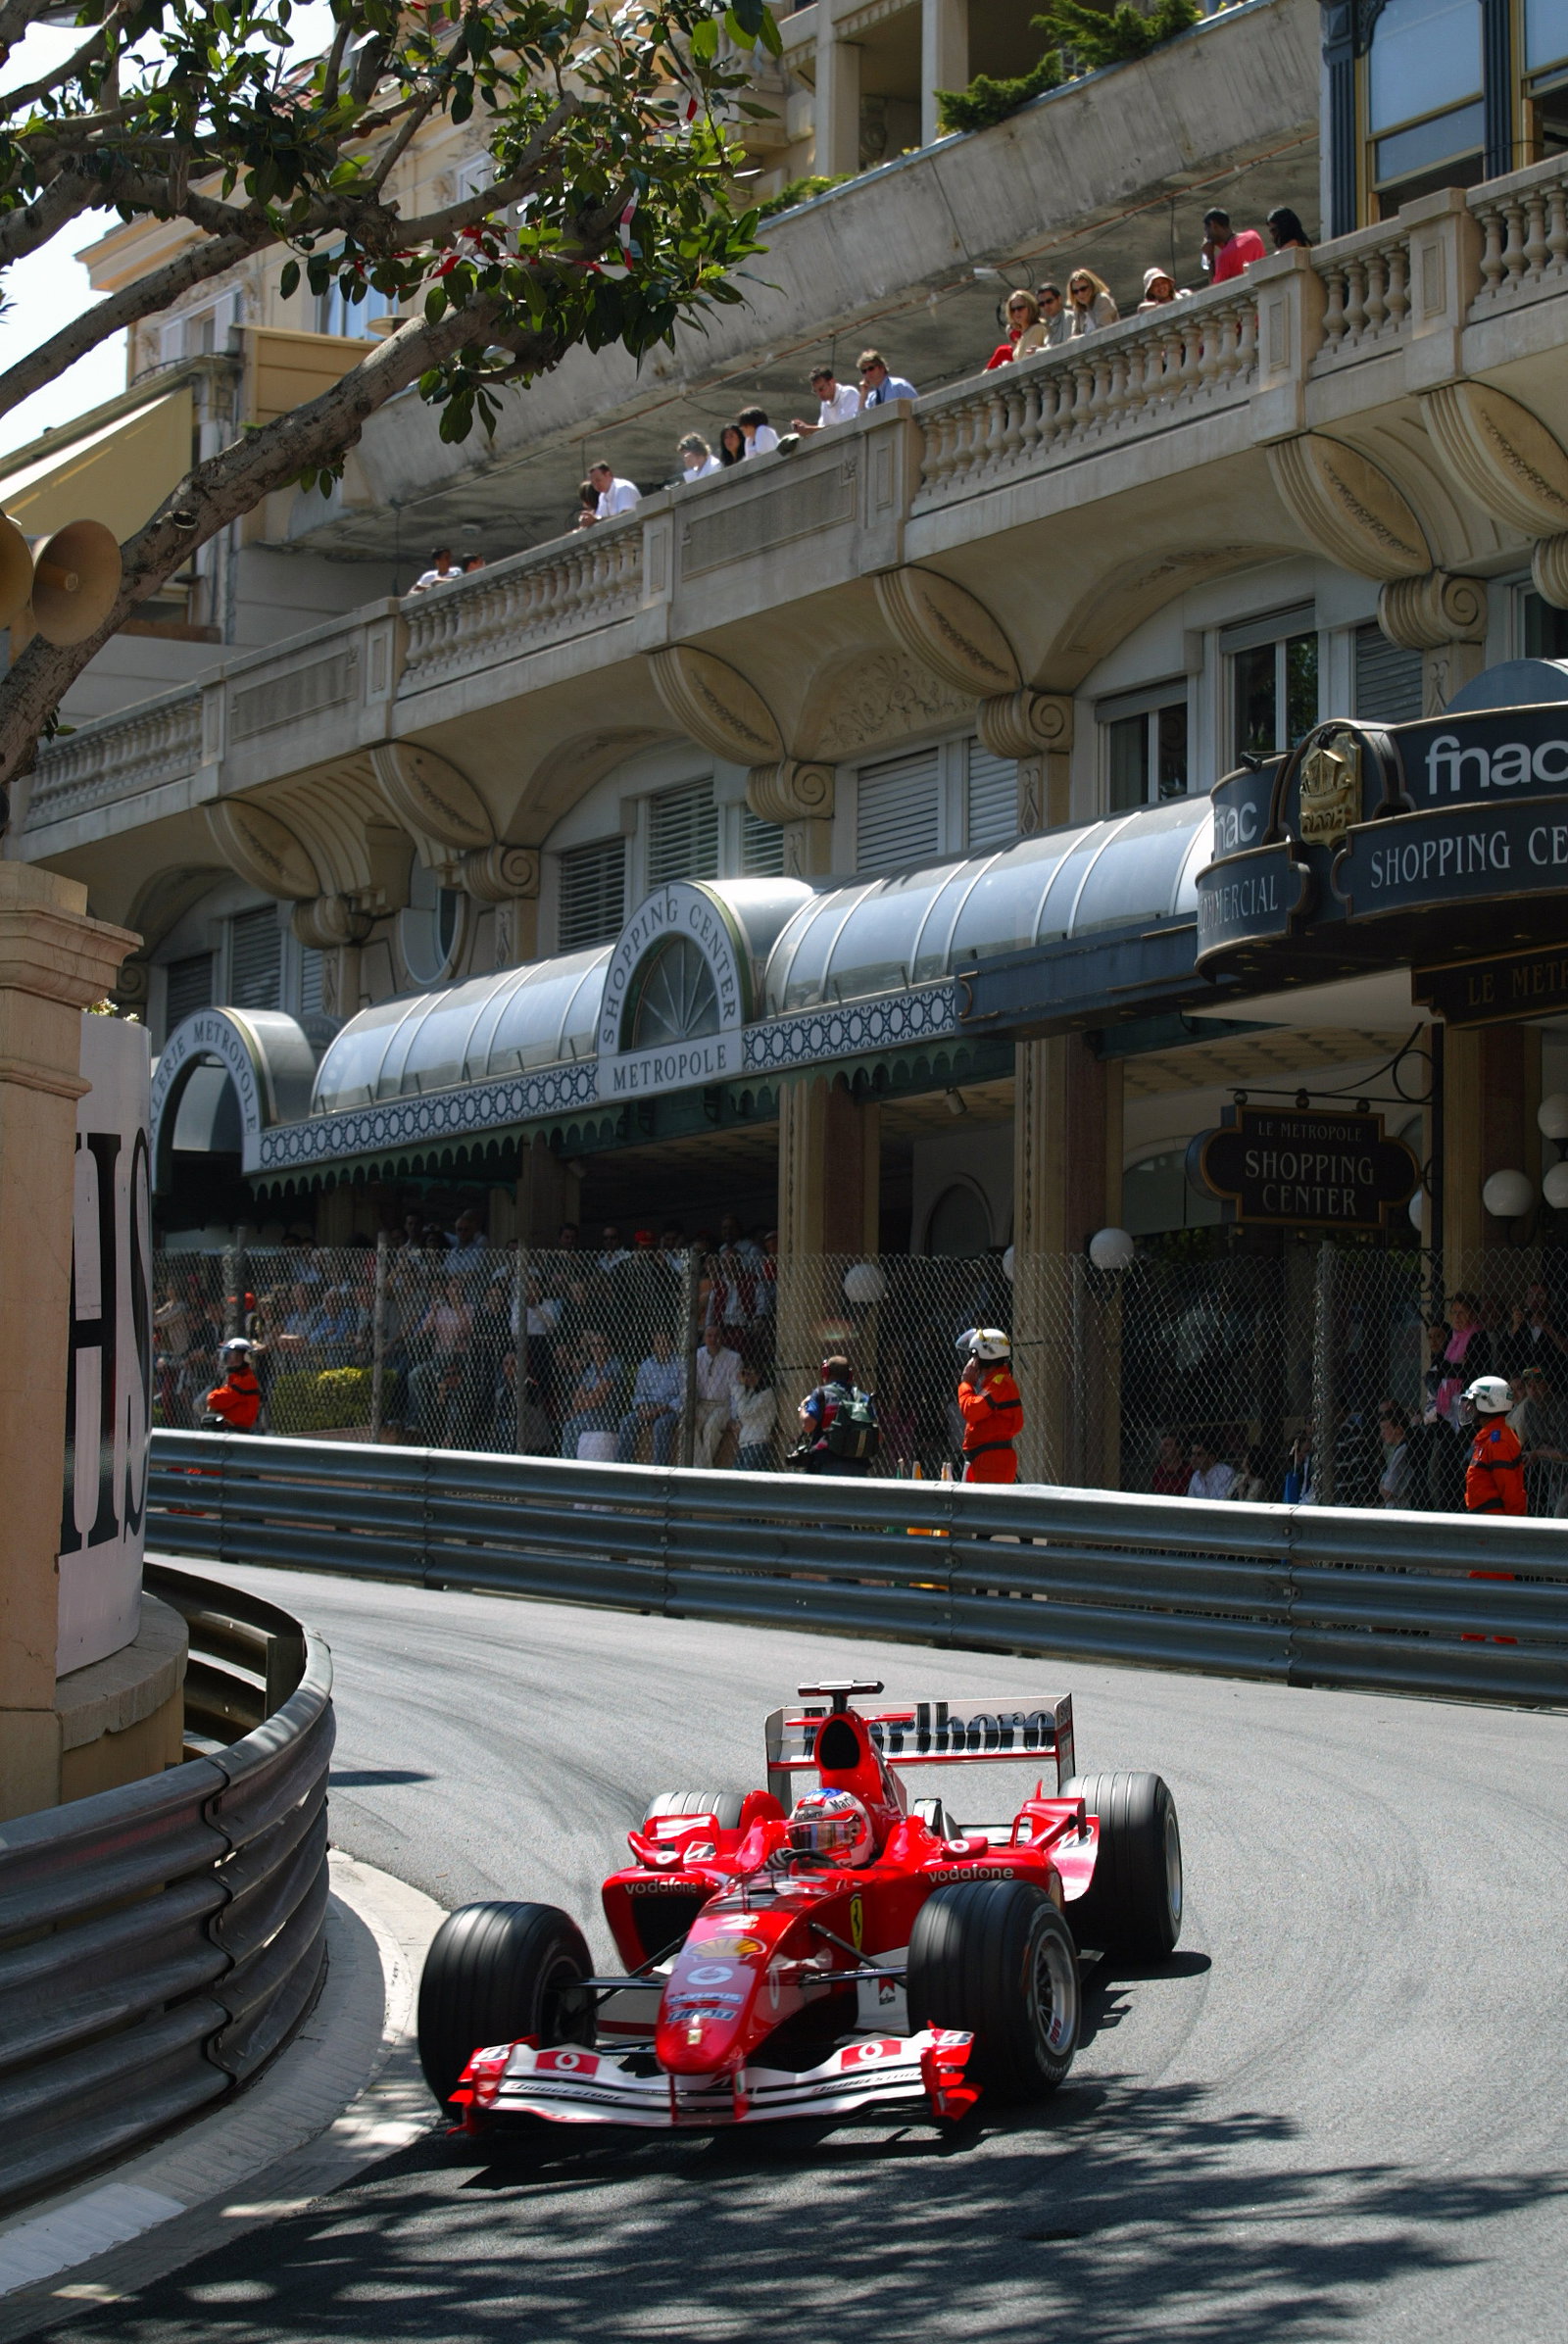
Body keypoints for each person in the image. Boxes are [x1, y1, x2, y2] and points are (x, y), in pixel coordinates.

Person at [954, 1328, 1022, 1484]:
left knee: (985, 1507)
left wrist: (966, 1384)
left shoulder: (1000, 1383)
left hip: (992, 1461)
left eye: (974, 1355)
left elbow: (972, 1411)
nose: (972, 1361)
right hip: (986, 1459)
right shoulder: (996, 1382)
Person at [616, 1327, 683, 1464]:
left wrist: (661, 1410)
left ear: (672, 1345)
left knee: (661, 1425)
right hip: (648, 1407)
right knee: (627, 1421)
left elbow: (683, 1396)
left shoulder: (680, 1365)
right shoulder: (646, 1366)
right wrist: (642, 1408)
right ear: (653, 1346)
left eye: (665, 1343)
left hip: (669, 1409)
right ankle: (623, 1466)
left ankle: (659, 1469)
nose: (662, 1347)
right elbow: (639, 1394)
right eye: (658, 1343)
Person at [1461, 1376, 1526, 1514]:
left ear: (1490, 1404)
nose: (1470, 1408)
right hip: (1485, 1520)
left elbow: (1510, 1491)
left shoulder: (1498, 1442)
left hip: (1494, 1522)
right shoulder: (1487, 1438)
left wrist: (1515, 1528)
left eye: (1474, 1402)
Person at [559, 1329, 622, 1457]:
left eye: (602, 1345)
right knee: (568, 1424)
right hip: (588, 1414)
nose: (597, 1349)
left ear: (609, 1347)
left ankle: (567, 1464)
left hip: (606, 1415)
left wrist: (586, 1400)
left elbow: (598, 1400)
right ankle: (567, 1464)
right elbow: (576, 1401)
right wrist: (587, 1400)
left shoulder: (614, 1365)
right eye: (594, 1345)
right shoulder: (591, 1369)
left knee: (571, 1427)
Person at [693, 1321, 742, 1466]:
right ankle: (701, 1467)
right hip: (701, 1403)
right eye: (709, 1336)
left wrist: (734, 1416)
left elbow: (735, 1389)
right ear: (704, 1338)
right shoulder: (697, 1356)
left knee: (711, 1427)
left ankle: (701, 1469)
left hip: (722, 1405)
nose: (713, 1339)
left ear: (722, 1337)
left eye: (717, 1336)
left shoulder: (733, 1358)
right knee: (691, 1424)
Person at [203, 1338, 263, 1432]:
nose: (231, 1361)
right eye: (229, 1357)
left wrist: (211, 1396)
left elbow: (215, 1400)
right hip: (230, 1426)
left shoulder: (245, 1380)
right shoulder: (236, 1378)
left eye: (236, 1357)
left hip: (237, 1429)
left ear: (246, 1359)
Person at [731, 1362, 777, 1471]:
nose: (750, 1378)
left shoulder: (767, 1394)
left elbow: (743, 1412)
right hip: (745, 1444)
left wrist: (741, 1386)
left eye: (754, 1374)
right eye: (748, 1374)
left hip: (757, 1444)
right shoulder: (751, 1393)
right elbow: (740, 1413)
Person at [1202, 208, 1267, 284]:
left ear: (1214, 225)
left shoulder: (1224, 257)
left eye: (1206, 230)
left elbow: (1215, 289)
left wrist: (1210, 259)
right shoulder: (1253, 236)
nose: (1207, 236)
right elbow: (1237, 248)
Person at [792, 364, 860, 435]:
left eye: (821, 389)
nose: (819, 395)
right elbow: (822, 429)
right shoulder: (825, 404)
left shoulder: (849, 393)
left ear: (831, 382)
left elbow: (847, 427)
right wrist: (805, 429)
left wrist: (810, 429)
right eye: (816, 391)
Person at [985, 291, 1047, 368]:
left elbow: (1028, 362)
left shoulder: (1036, 329)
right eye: (1012, 310)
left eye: (1020, 308)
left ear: (1030, 308)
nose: (1016, 312)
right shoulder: (1022, 337)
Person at [1377, 1404, 1412, 1507]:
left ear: (1398, 1429)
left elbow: (1387, 1492)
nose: (1382, 1434)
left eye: (1385, 1428)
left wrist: (1383, 1486)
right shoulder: (1397, 1449)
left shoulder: (1403, 1450)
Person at [1066, 268, 1118, 336]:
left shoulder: (1102, 299)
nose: (1080, 294)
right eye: (1075, 291)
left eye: (1083, 289)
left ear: (1092, 286)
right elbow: (1074, 337)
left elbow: (1103, 331)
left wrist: (1081, 338)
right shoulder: (1078, 309)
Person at [1151, 1431, 1191, 1495]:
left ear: (1178, 1449)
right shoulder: (1159, 1472)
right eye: (1161, 1445)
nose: (1162, 1449)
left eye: (1166, 1445)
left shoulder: (1189, 1471)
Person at [1033, 283, 1070, 347]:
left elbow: (1067, 346)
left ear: (1059, 299)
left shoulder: (1068, 317)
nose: (1046, 306)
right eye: (1042, 304)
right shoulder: (1050, 325)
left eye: (1049, 301)